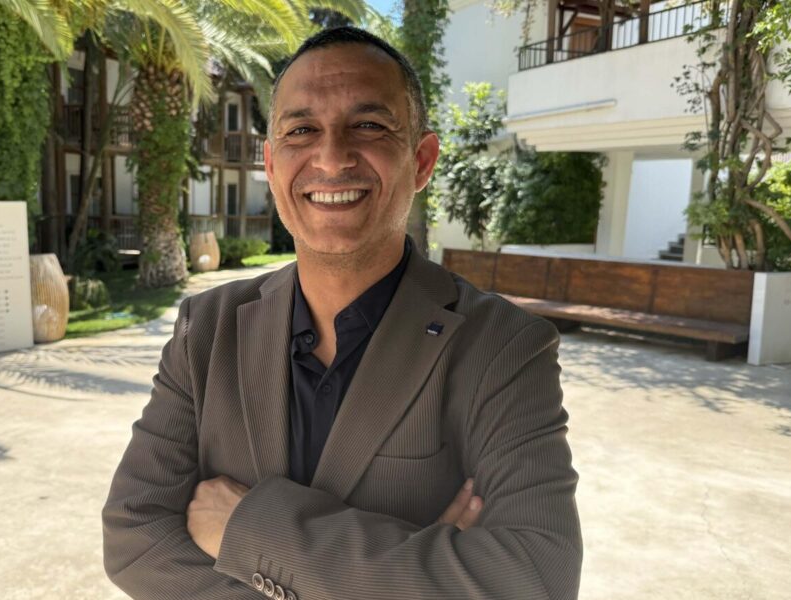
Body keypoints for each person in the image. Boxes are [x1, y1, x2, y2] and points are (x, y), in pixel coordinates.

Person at [102, 26, 581, 600]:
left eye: (369, 126)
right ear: (272, 164)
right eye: (302, 130)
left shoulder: (502, 346)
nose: (332, 158)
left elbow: (535, 579)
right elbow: (134, 538)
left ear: (422, 160)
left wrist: (252, 532)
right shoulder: (205, 330)